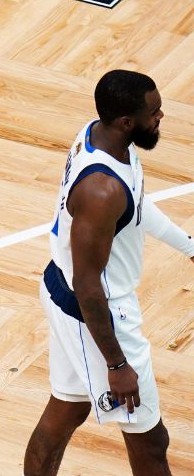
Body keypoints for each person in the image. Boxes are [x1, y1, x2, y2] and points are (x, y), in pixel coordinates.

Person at [24, 69, 194, 475]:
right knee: (151, 441)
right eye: (154, 113)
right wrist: (116, 365)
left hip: (64, 291)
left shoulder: (104, 139)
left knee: (66, 409)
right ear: (126, 122)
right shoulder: (101, 191)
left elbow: (135, 205)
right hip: (96, 312)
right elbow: (88, 285)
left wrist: (189, 246)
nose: (161, 118)